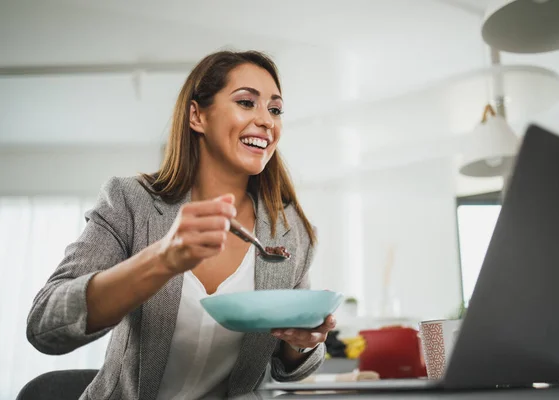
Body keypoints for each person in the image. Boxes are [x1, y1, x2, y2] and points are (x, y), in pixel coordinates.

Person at [26, 50, 335, 399]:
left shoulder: (290, 230)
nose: (267, 121)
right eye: (247, 103)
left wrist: (302, 343)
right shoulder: (130, 202)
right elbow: (46, 325)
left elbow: (293, 368)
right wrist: (161, 260)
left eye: (275, 109)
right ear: (197, 115)